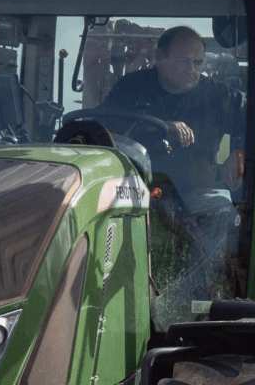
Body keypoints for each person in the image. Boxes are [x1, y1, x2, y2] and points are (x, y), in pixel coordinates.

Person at [99, 25, 246, 328]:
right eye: (184, 61)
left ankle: (177, 304)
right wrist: (161, 126)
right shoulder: (132, 88)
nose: (192, 70)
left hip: (197, 193)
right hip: (136, 190)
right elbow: (104, 125)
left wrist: (239, 150)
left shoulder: (217, 95)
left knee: (222, 211)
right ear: (159, 57)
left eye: (198, 63)